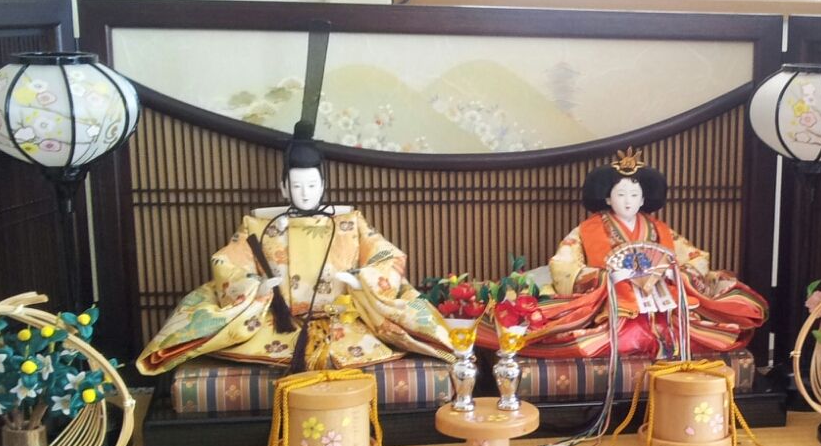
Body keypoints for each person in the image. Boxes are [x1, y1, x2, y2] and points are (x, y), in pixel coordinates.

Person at [136, 145, 451, 375]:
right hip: (277, 321)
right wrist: (256, 286)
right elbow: (227, 263)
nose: (305, 193)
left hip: (344, 319)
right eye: (297, 186)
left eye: (312, 185)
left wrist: (361, 280)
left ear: (323, 186)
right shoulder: (258, 225)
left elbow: (387, 256)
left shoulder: (349, 222)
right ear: (284, 187)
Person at [529, 148, 767, 357]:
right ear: (608, 198)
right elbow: (564, 264)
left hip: (660, 295)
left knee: (684, 329)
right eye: (620, 194)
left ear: (643, 199)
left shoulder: (659, 229)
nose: (628, 201)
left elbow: (695, 258)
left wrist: (674, 273)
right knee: (607, 333)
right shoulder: (587, 230)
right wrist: (603, 277)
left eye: (634, 195)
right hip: (613, 298)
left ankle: (663, 338)